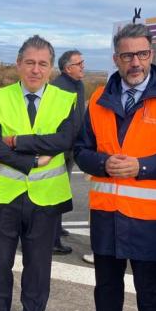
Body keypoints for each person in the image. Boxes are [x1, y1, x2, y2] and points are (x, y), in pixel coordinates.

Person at [74, 23, 156, 311]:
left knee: (148, 294)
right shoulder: (97, 99)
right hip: (107, 218)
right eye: (127, 55)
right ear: (116, 59)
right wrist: (104, 164)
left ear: (151, 53)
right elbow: (81, 151)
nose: (135, 62)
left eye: (142, 54)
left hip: (151, 221)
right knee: (106, 292)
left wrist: (142, 167)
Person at [0, 35, 77, 311]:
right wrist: (31, 160)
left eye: (43, 64)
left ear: (51, 69)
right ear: (18, 64)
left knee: (38, 266)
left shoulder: (65, 99)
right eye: (30, 63)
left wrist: (17, 141)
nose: (36, 70)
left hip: (46, 198)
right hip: (4, 197)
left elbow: (64, 139)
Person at [51, 49, 87, 256]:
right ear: (67, 68)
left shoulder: (77, 85)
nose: (83, 66)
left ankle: (58, 228)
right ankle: (52, 239)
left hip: (71, 147)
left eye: (82, 62)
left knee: (62, 191)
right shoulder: (58, 88)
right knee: (56, 194)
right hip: (60, 149)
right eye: (79, 63)